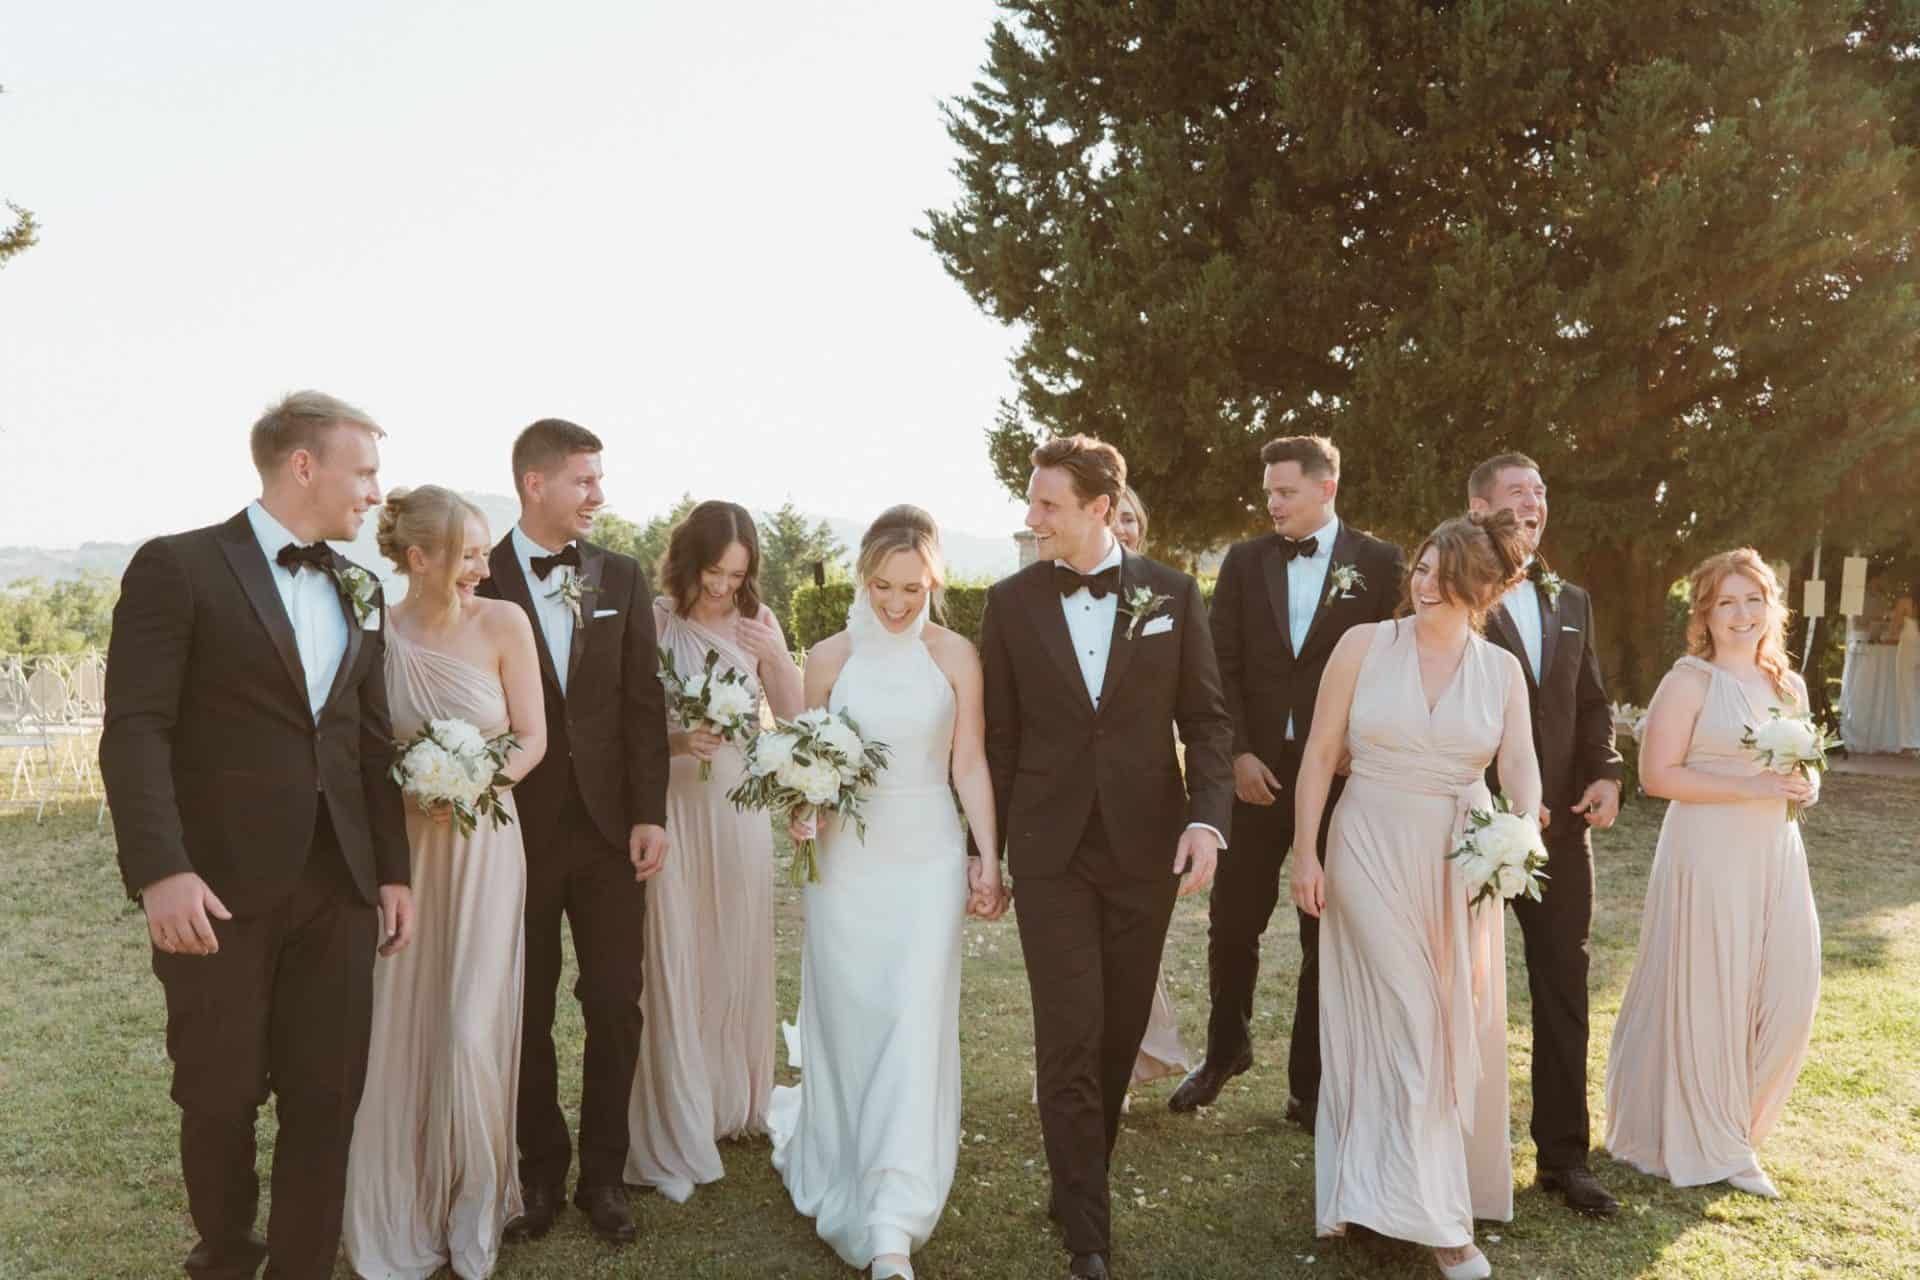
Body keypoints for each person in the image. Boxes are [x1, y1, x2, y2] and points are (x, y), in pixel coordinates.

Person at [100, 390, 414, 1280]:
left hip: (340, 882)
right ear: (304, 466)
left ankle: (304, 1266)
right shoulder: (178, 567)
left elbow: (368, 742)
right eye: (364, 471)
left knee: (328, 1094)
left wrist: (392, 872)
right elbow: (136, 729)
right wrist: (161, 869)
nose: (376, 492)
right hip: (216, 886)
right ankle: (228, 1255)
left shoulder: (361, 586)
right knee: (219, 1090)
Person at [981, 436, 1234, 1280]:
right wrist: (985, 852)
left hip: (1143, 846)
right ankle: (1088, 1232)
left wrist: (1207, 822)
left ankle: (1076, 1178)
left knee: (1119, 1031)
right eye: (1032, 501)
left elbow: (1207, 721)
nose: (1031, 517)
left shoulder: (1173, 593)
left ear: (1100, 507)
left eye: (1047, 504)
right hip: (1049, 849)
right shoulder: (1009, 602)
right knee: (1069, 1031)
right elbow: (1000, 738)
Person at [1291, 510, 1539, 1280]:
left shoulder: (1500, 671)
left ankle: (1378, 1188)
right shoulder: (1364, 646)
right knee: (1412, 1018)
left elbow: (1520, 765)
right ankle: (1442, 1228)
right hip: (1367, 844)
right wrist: (1305, 852)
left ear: (1483, 590)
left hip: (1458, 860)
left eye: (1444, 575)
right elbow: (1319, 753)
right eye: (1422, 568)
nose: (1425, 584)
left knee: (1436, 1024)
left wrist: (1521, 830)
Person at [769, 505, 1007, 1280]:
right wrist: (803, 808)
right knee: (851, 1018)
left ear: (933, 582)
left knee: (912, 1018)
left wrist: (987, 855)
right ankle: (843, 1156)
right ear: (862, 578)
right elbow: (806, 762)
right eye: (883, 587)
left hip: (927, 857)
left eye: (913, 588)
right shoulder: (828, 658)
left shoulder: (956, 655)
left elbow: (968, 761)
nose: (898, 603)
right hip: (847, 865)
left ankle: (890, 1220)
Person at [343, 486, 548, 1279]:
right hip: (405, 856)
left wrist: (472, 782)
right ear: (418, 558)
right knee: (404, 1024)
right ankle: (402, 1202)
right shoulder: (376, 634)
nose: (483, 569)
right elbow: (366, 749)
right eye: (468, 556)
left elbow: (530, 737)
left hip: (486, 845)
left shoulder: (505, 623)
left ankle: (474, 1205)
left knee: (469, 1027)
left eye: (485, 553)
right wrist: (414, 785)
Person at [1170, 437, 1403, 1124]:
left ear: (1327, 488)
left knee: (1321, 928)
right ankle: (1225, 1050)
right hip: (1256, 775)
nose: (1272, 504)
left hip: (1339, 776)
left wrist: (1359, 739)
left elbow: (1395, 660)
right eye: (1268, 492)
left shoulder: (1382, 562)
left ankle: (1311, 1085)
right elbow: (1219, 664)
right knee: (1231, 923)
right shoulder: (1244, 562)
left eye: (1285, 492)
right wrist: (1239, 754)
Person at [478, 419, 671, 1248]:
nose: (599, 494)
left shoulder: (619, 574)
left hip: (607, 833)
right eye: (584, 480)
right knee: (524, 1006)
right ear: (535, 483)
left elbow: (642, 704)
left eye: (598, 479)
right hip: (512, 832)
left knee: (615, 1001)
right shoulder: (478, 574)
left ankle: (604, 1176)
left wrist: (649, 812)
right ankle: (539, 1172)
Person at [1603, 549, 1822, 1199]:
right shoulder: (1689, 682)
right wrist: (1753, 785)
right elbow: (1656, 776)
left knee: (1790, 990)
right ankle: (1720, 1142)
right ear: (1704, 613)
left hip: (1776, 851)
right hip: (1707, 852)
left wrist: (1805, 786)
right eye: (1727, 602)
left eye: (1754, 600)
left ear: (1772, 608)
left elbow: (1801, 765)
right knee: (1712, 993)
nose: (1742, 614)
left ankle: (1736, 1125)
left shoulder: (1789, 684)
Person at [626, 500, 804, 1201]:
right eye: (714, 572)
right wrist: (678, 740)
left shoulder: (760, 622)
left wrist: (774, 658)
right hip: (673, 802)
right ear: (688, 562)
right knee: (678, 947)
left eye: (737, 573)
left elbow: (795, 718)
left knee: (734, 942)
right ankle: (682, 1104)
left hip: (737, 805)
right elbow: (632, 719)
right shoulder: (656, 620)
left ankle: (734, 1099)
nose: (725, 586)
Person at [1466, 452, 1624, 1216]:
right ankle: (1456, 1154)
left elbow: (1592, 701)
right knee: (1462, 992)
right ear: (1479, 509)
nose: (1534, 502)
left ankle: (1564, 1159)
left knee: (1563, 988)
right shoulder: (1451, 592)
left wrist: (1606, 773)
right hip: (1471, 829)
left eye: (1540, 491)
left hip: (1560, 835)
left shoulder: (1572, 600)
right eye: (1517, 491)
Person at [1106, 486, 1193, 1092]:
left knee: (1134, 952)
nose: (1123, 528)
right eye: (1115, 517)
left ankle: (1130, 1060)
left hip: (1145, 799)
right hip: (1073, 804)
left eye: (1131, 518)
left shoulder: (1168, 594)